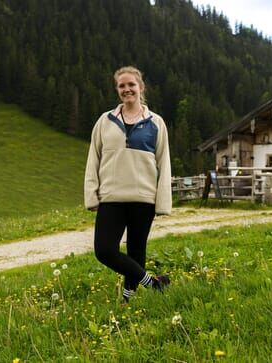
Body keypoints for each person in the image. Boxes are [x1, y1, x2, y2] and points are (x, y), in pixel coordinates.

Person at [84, 66, 172, 302]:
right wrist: (92, 195)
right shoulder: (105, 121)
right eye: (122, 86)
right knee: (104, 251)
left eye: (131, 85)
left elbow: (164, 163)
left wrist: (162, 202)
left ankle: (127, 300)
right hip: (111, 198)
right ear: (117, 90)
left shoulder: (156, 123)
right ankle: (153, 283)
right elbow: (94, 159)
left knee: (136, 252)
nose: (127, 89)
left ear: (141, 87)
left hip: (144, 199)